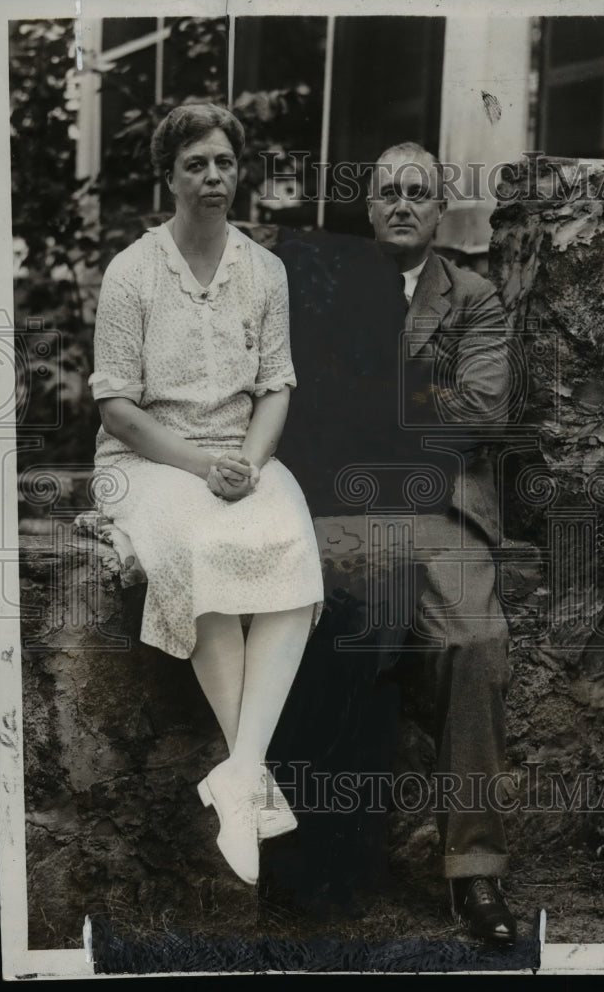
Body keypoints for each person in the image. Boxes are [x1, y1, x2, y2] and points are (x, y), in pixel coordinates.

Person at [88, 103, 324, 888]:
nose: (215, 177)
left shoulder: (263, 269)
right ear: (170, 176)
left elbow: (278, 386)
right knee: (204, 547)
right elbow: (117, 405)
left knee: (292, 548)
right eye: (197, 165)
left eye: (224, 162)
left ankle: (239, 774)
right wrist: (201, 467)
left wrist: (251, 464)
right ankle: (254, 784)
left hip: (239, 457)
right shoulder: (133, 271)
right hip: (148, 458)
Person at [364, 142, 517, 945]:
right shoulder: (327, 291)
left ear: (439, 210)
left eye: (418, 192)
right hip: (337, 504)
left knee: (479, 640)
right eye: (388, 191)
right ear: (368, 206)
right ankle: (313, 857)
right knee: (291, 612)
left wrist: (377, 402)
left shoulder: (476, 298)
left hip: (440, 507)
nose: (402, 203)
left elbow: (483, 412)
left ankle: (477, 874)